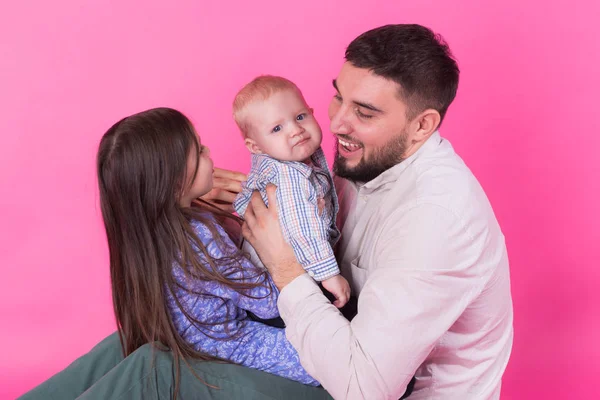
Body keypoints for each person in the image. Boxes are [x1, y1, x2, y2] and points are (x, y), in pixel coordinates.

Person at [238, 24, 514, 399]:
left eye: (364, 113)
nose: (336, 124)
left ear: (422, 126)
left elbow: (362, 388)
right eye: (338, 98)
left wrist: (285, 269)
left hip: (370, 387)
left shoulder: (436, 220)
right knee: (147, 352)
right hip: (334, 356)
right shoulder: (367, 160)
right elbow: (302, 208)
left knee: (158, 373)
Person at [96, 107, 318, 388]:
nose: (209, 150)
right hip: (236, 351)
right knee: (319, 358)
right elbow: (267, 302)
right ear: (173, 181)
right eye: (199, 151)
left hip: (199, 349)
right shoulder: (200, 236)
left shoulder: (149, 237)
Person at [232, 75, 350, 308]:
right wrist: (329, 275)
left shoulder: (285, 162)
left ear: (312, 112)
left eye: (300, 116)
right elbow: (301, 229)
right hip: (281, 286)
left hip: (274, 278)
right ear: (255, 146)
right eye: (277, 128)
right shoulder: (289, 177)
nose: (295, 130)